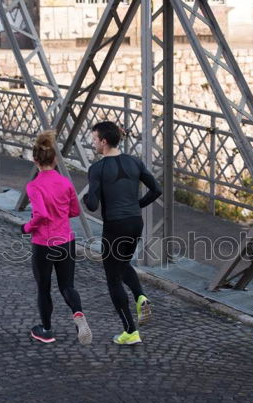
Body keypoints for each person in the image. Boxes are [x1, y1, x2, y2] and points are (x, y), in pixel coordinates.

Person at [84, 121, 162, 345]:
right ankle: (140, 297)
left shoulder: (97, 169)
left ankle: (130, 331)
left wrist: (84, 197)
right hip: (135, 222)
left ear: (104, 141)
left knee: (112, 277)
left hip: (115, 225)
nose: (93, 143)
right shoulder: (135, 162)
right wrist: (137, 205)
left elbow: (92, 205)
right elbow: (156, 190)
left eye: (94, 139)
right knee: (123, 263)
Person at [21, 130, 92, 345]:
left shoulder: (34, 186)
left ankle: (46, 330)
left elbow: (41, 214)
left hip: (44, 243)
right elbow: (75, 211)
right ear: (54, 160)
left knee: (44, 288)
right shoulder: (65, 183)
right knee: (67, 286)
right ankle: (78, 314)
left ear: (35, 161)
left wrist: (27, 227)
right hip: (66, 241)